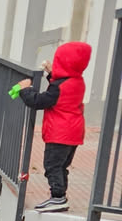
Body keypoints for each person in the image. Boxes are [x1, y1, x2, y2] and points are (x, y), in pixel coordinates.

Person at [11, 40, 91, 211]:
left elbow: (38, 101)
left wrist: (25, 89)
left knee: (52, 166)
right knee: (61, 166)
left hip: (60, 133)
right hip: (73, 133)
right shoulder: (78, 81)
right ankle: (59, 196)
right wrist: (52, 73)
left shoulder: (59, 87)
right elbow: (60, 86)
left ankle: (58, 197)